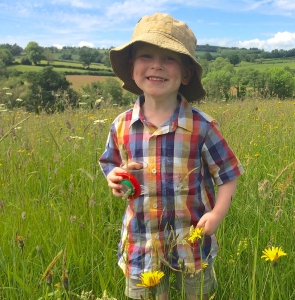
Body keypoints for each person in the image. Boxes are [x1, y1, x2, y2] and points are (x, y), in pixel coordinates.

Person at [98, 12, 244, 300]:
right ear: (131, 66)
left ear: (186, 73)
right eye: (147, 55)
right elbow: (110, 165)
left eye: (169, 58)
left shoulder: (202, 126)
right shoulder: (121, 125)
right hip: (142, 243)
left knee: (198, 294)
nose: (156, 65)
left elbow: (228, 173)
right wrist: (113, 177)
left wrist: (217, 214)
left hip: (192, 243)